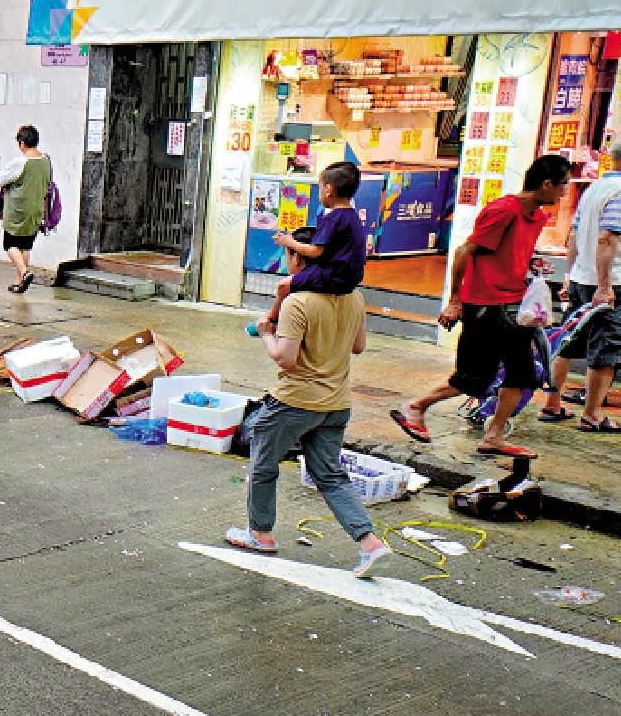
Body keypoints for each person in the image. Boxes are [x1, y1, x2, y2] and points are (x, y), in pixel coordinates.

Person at [225, 230, 393, 576]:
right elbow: (358, 346)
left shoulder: (298, 303)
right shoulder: (354, 298)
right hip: (336, 402)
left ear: (298, 260)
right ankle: (369, 543)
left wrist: (267, 333)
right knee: (330, 474)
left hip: (294, 401)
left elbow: (285, 358)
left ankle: (261, 533)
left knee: (263, 465)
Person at [391, 153, 572, 457]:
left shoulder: (536, 216)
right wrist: (455, 301)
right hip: (486, 304)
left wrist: (530, 262)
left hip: (514, 304)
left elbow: (509, 252)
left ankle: (494, 436)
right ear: (545, 184)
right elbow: (464, 252)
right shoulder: (503, 210)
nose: (565, 191)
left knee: (522, 373)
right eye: (562, 185)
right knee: (476, 377)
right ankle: (416, 406)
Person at [538, 139, 621, 432]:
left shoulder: (594, 189)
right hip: (609, 283)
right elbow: (608, 240)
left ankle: (551, 403)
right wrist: (605, 286)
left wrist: (570, 276)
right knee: (605, 350)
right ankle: (592, 414)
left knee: (568, 343)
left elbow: (573, 237)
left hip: (583, 277)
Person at [261, 162, 368, 332]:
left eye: (319, 187)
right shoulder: (353, 217)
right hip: (351, 279)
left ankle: (271, 322)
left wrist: (291, 243)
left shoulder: (333, 218)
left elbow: (316, 251)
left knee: (283, 286)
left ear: (329, 189)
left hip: (333, 276)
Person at [0, 125, 50, 292]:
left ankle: (24, 273)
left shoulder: (20, 162)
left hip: (17, 210)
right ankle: (19, 283)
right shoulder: (45, 161)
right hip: (36, 209)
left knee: (9, 243)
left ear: (22, 143)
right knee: (25, 246)